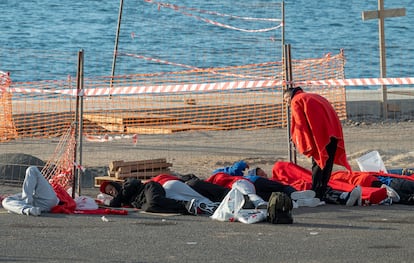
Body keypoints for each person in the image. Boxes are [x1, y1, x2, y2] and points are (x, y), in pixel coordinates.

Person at [284, 87, 352, 200]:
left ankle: (316, 191)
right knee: (328, 163)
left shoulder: (296, 100)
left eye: (286, 100)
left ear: (290, 95)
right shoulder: (313, 96)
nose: (287, 104)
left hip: (321, 135)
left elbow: (300, 124)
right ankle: (323, 189)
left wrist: (298, 140)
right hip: (333, 131)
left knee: (318, 162)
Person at [99, 178, 213, 215]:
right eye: (109, 193)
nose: (111, 192)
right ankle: (190, 209)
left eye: (111, 189)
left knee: (154, 200)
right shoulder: (123, 200)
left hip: (149, 188)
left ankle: (187, 204)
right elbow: (116, 204)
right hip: (144, 201)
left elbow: (115, 202)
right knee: (150, 207)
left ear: (114, 185)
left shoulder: (126, 184)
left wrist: (106, 202)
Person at [246, 167, 321, 208]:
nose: (265, 175)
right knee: (283, 187)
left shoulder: (244, 184)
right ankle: (295, 194)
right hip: (257, 183)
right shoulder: (252, 178)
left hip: (256, 193)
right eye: (262, 174)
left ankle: (297, 201)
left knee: (276, 196)